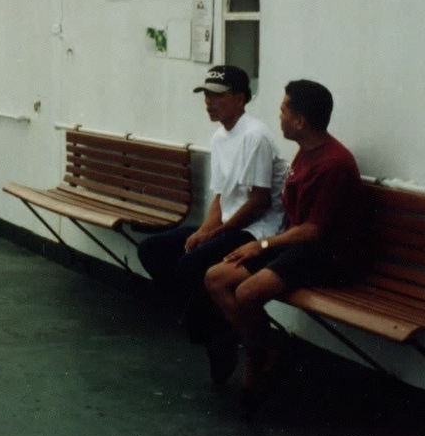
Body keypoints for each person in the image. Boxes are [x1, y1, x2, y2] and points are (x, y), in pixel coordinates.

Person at [204, 78, 365, 411]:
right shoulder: (305, 153)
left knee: (246, 292)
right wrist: (265, 244)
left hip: (326, 255)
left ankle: (254, 365)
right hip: (295, 246)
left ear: (300, 121)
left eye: (283, 110)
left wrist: (262, 246)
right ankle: (266, 352)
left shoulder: (333, 163)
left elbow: (313, 232)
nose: (279, 117)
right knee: (216, 278)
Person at [136, 65, 285, 385]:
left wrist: (214, 234)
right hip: (229, 226)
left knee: (190, 267)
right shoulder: (219, 137)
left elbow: (259, 201)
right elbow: (221, 197)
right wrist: (204, 231)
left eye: (217, 95)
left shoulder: (254, 136)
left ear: (241, 98)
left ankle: (216, 336)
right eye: (205, 95)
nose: (209, 102)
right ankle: (217, 331)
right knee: (152, 250)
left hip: (256, 231)